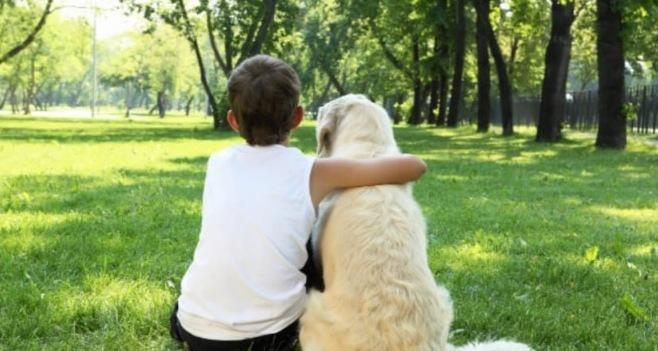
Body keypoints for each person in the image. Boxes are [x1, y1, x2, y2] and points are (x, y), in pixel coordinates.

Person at [170, 55, 427, 351]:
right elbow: (414, 166)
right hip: (266, 339)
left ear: (232, 120)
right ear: (298, 117)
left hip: (194, 328)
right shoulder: (312, 172)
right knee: (309, 240)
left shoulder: (218, 162)